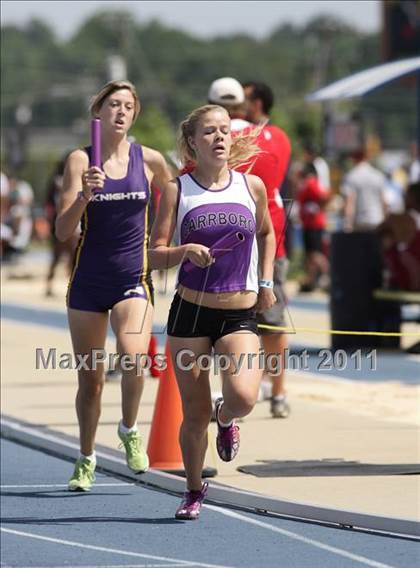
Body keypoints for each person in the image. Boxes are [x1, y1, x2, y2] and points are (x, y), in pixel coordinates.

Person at [149, 104, 276, 520]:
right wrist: (184, 251)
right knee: (193, 413)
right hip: (190, 312)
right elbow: (153, 255)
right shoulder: (177, 190)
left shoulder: (251, 186)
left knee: (243, 396)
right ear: (192, 143)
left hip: (239, 311)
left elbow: (268, 232)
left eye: (224, 130)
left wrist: (267, 282)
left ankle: (227, 416)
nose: (220, 137)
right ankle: (191, 489)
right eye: (209, 132)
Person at [55, 80, 173, 492]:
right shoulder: (79, 160)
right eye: (113, 105)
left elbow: (174, 191)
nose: (120, 112)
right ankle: (86, 456)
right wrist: (85, 195)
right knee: (91, 380)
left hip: (132, 278)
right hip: (88, 281)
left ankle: (128, 428)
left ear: (134, 114)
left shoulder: (151, 159)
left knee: (134, 357)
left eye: (128, 106)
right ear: (98, 113)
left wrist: (162, 238)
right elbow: (62, 230)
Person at [207, 78, 293, 418]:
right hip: (274, 237)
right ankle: (279, 392)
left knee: (224, 320)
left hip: (233, 239)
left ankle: (234, 392)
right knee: (272, 322)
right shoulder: (280, 138)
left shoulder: (222, 136)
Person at [241, 80, 292, 418]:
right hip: (241, 243)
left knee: (271, 323)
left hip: (270, 240)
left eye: (243, 100)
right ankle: (251, 384)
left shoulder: (272, 137)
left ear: (257, 104)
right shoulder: (238, 133)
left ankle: (279, 390)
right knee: (242, 323)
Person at [44, 155, 79, 297]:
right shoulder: (57, 181)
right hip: (58, 220)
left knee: (72, 255)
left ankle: (72, 284)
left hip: (73, 221)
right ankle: (49, 284)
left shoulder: (75, 179)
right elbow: (49, 202)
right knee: (57, 255)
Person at [378, 182, 420, 292]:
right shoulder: (405, 219)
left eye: (406, 196)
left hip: (410, 284)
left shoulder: (406, 219)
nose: (404, 198)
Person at [297, 163, 330, 292]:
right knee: (310, 255)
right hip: (308, 223)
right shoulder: (307, 184)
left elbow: (324, 196)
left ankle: (328, 275)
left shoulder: (311, 183)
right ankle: (311, 281)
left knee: (315, 254)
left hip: (314, 224)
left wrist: (319, 208)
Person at [341, 149, 388, 232]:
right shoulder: (378, 175)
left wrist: (347, 224)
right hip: (377, 220)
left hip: (360, 222)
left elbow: (350, 202)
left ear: (353, 159)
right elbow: (384, 201)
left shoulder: (351, 176)